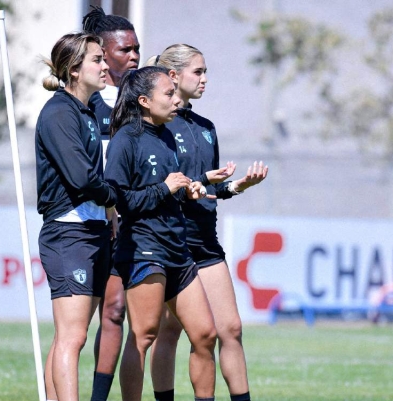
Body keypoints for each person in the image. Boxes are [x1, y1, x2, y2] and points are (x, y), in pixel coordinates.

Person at [145, 44, 268, 401]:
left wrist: (236, 186)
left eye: (205, 71)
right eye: (197, 72)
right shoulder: (156, 128)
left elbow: (209, 188)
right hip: (171, 241)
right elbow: (161, 185)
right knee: (171, 332)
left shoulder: (206, 128)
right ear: (173, 75)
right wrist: (197, 183)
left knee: (230, 328)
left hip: (205, 242)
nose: (204, 79)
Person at [104, 66, 220, 401]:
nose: (175, 99)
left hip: (177, 249)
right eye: (167, 94)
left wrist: (187, 189)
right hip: (144, 249)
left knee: (205, 334)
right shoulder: (127, 139)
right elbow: (118, 199)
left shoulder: (167, 135)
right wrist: (164, 189)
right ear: (144, 100)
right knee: (143, 335)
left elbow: (170, 187)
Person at [36, 33, 116, 401]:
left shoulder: (87, 110)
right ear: (73, 69)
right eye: (97, 60)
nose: (105, 66)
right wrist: (121, 199)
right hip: (68, 234)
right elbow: (82, 177)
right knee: (74, 336)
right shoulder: (57, 113)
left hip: (95, 230)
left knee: (71, 333)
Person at [81, 6, 140, 401]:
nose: (134, 57)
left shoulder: (142, 100)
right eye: (126, 50)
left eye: (138, 49)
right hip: (87, 226)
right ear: (102, 51)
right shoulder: (87, 102)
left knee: (116, 310)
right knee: (75, 327)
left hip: (131, 226)